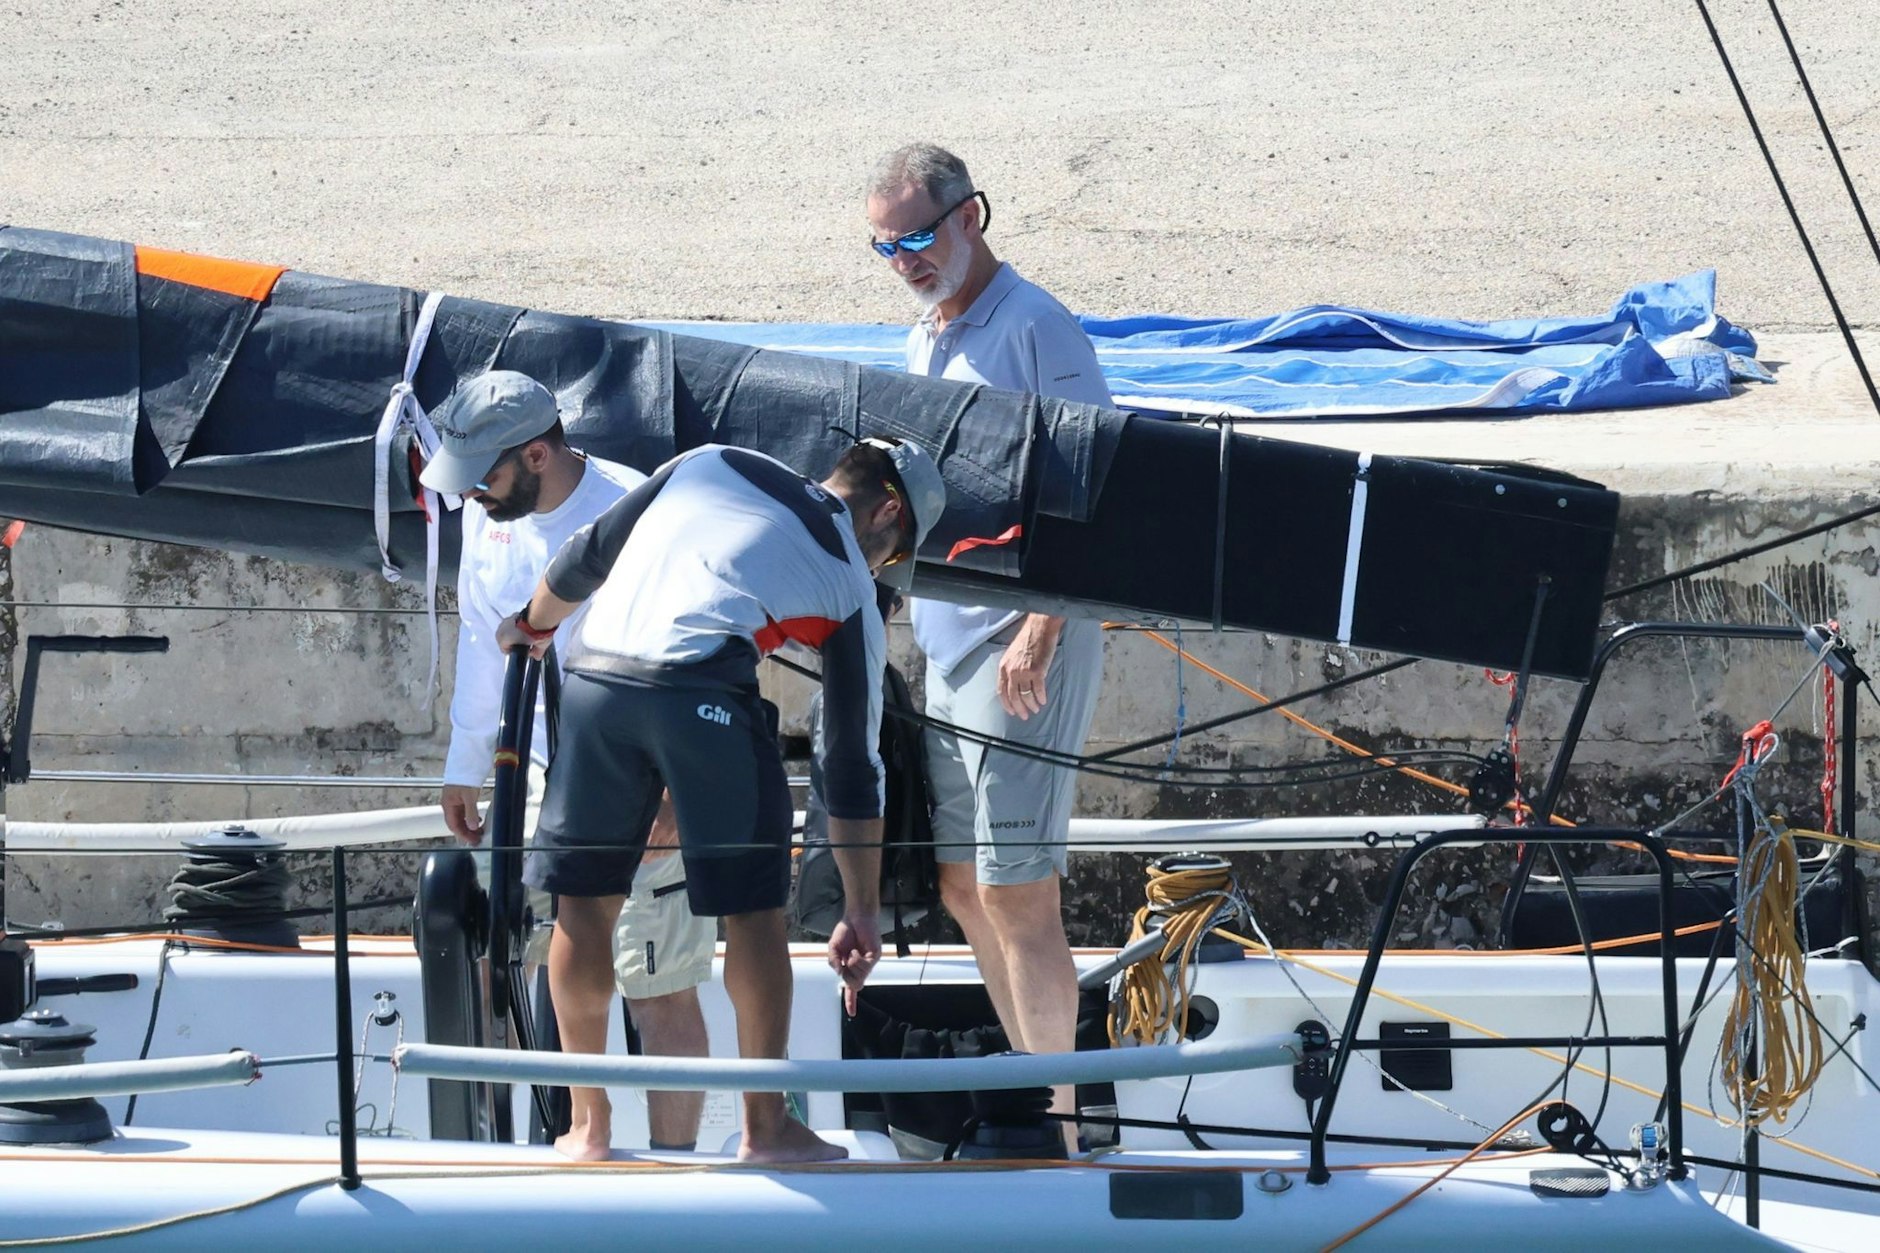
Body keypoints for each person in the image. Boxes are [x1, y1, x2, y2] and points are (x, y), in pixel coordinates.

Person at [494, 436, 947, 1164]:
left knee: (582, 907)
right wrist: (861, 909)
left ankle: (587, 1128)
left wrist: (534, 622)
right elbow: (853, 763)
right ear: (886, 512)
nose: (883, 573)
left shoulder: (711, 460)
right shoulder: (848, 578)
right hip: (700, 694)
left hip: (593, 679)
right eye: (892, 556)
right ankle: (765, 1130)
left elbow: (586, 552)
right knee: (753, 913)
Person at [865, 143, 1112, 1133]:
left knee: (1019, 888)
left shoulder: (1037, 329)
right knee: (963, 887)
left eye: (918, 236)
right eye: (884, 246)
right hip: (950, 639)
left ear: (973, 216)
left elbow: (1090, 497)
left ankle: (1060, 1117)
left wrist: (1039, 637)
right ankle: (1028, 1094)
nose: (905, 259)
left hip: (1021, 640)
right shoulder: (924, 334)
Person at [418, 370, 714, 1151]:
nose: (473, 494)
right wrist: (465, 760)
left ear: (540, 453)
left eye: (485, 475)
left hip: (646, 773)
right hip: (546, 774)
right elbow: (488, 641)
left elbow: (706, 659)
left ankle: (675, 1172)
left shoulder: (641, 514)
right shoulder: (491, 514)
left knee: (660, 981)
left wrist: (678, 796)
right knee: (554, 963)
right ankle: (589, 1138)